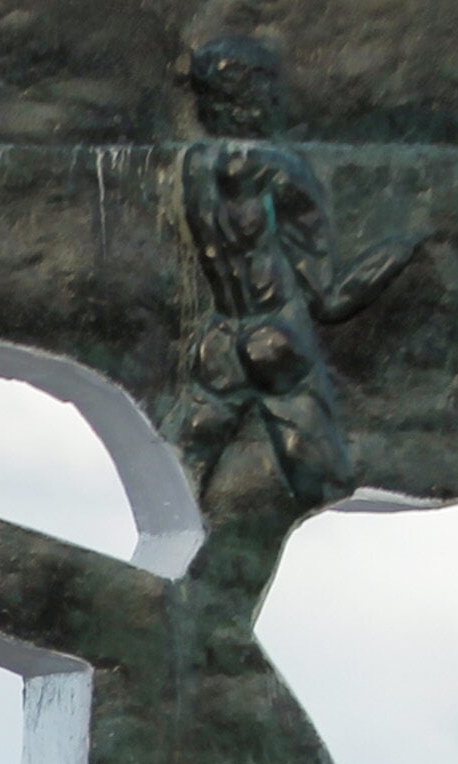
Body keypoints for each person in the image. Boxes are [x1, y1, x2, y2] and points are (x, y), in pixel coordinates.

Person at [168, 35, 424, 513]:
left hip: (220, 339)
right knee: (326, 494)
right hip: (275, 337)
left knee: (177, 473)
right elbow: (329, 299)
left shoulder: (191, 165)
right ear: (252, 98)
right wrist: (398, 252)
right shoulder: (282, 171)